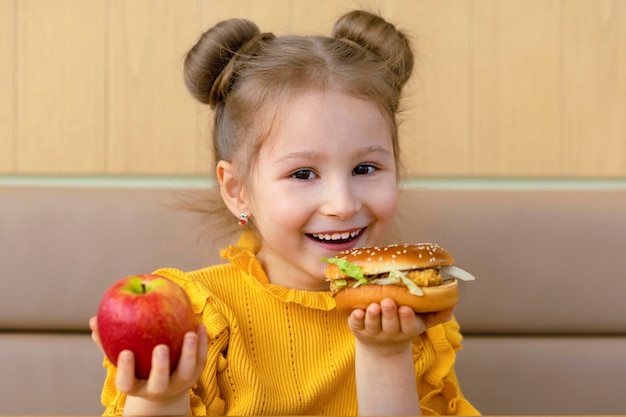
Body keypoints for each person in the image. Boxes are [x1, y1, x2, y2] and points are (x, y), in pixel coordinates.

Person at [89, 9, 479, 416]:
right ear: (237, 190)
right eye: (303, 173)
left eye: (365, 169)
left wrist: (386, 356)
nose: (342, 205)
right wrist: (162, 398)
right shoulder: (195, 315)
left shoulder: (412, 313)